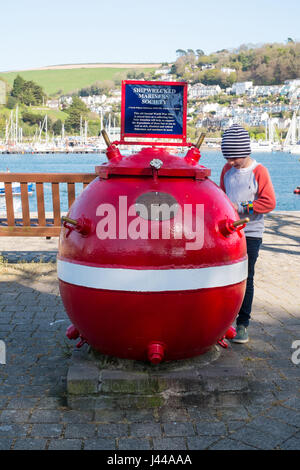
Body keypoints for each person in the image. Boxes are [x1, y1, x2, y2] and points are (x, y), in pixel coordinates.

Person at [220, 124, 276, 343]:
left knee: (246, 277)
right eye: (228, 157)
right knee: (226, 276)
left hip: (251, 233)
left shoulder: (259, 171)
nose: (231, 162)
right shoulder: (226, 170)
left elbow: (269, 202)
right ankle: (224, 322)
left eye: (235, 158)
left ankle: (243, 324)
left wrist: (241, 207)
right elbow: (222, 197)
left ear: (245, 152)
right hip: (230, 231)